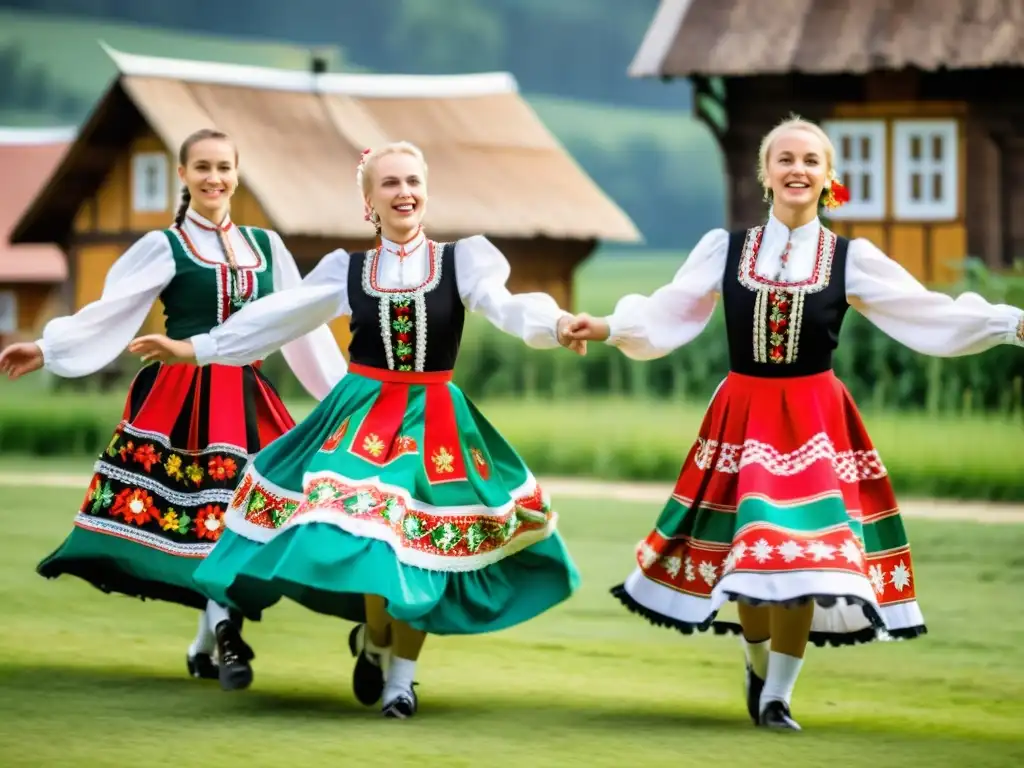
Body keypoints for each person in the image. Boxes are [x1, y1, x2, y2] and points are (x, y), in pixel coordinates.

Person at [564, 115, 1024, 731]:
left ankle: (778, 695)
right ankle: (757, 665)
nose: (798, 170)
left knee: (802, 562)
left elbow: (927, 313)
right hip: (743, 416)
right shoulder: (725, 249)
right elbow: (669, 310)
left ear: (828, 177)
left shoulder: (849, 257)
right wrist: (607, 326)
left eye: (810, 160)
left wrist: (1009, 322)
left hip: (814, 423)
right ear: (765, 174)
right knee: (749, 565)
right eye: (785, 159)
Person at [127, 140, 585, 719]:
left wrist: (559, 322)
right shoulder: (350, 269)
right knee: (367, 528)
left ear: (426, 190)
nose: (404, 192)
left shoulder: (461, 261)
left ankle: (402, 680)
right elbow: (278, 316)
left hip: (436, 419)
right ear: (368, 201)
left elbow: (506, 304)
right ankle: (374, 638)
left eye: (413, 181)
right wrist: (197, 349)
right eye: (390, 183)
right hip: (362, 415)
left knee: (423, 547)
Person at [0, 128, 345, 692]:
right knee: (210, 523)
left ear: (237, 174)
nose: (214, 178)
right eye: (202, 167)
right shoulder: (167, 247)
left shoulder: (267, 248)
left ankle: (204, 643)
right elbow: (113, 311)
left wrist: (342, 398)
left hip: (247, 396)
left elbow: (300, 326)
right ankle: (228, 636)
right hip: (182, 400)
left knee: (242, 520)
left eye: (224, 167)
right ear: (182, 176)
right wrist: (46, 348)